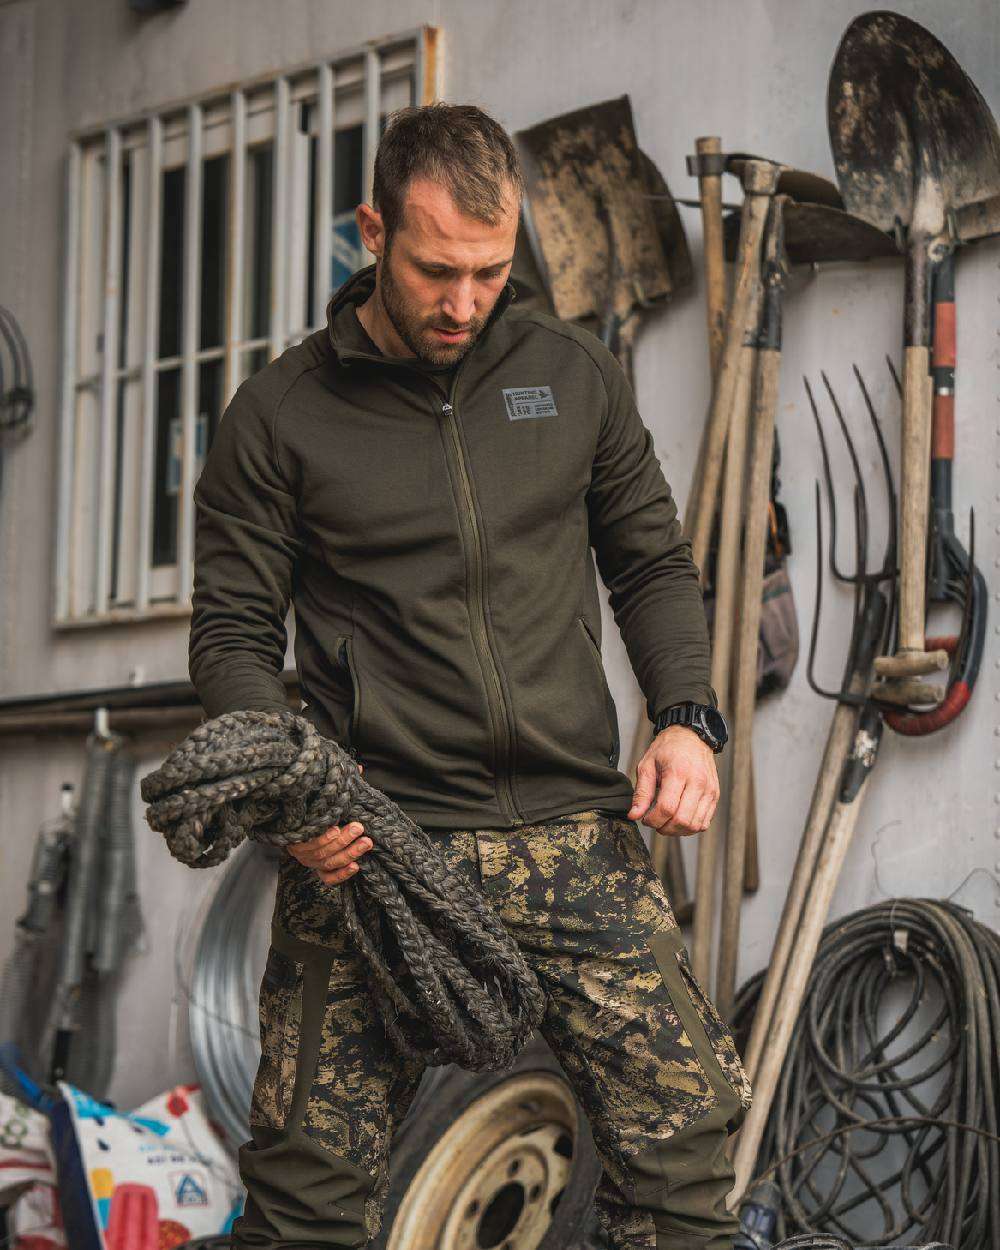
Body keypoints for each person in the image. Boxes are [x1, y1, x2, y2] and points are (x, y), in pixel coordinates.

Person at [188, 100, 751, 1250]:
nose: (462, 303)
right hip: (370, 847)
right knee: (303, 1202)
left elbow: (649, 559)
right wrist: (284, 797)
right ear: (372, 230)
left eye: (489, 273)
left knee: (683, 1150)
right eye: (436, 269)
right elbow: (234, 633)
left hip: (569, 828)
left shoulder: (571, 375)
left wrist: (687, 719)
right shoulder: (279, 417)